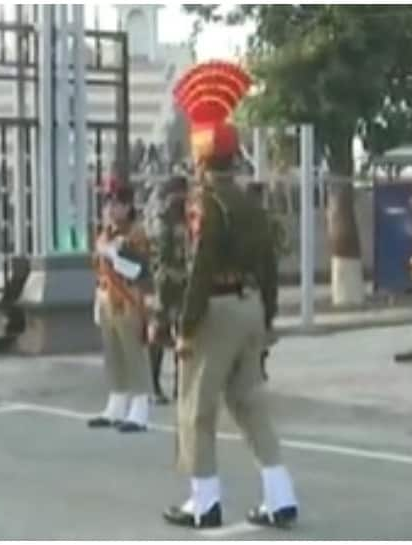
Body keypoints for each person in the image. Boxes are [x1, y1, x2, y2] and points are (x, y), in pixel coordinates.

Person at [162, 61, 298, 530]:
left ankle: (204, 501)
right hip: (252, 307)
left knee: (196, 407)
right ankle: (280, 495)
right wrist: (270, 318)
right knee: (249, 403)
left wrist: (186, 323)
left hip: (216, 310)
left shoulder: (206, 202)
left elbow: (200, 267)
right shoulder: (251, 201)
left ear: (200, 157)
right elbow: (268, 265)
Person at [88, 180, 154, 433]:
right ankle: (117, 401)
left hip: (128, 298)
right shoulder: (106, 233)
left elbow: (138, 270)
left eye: (116, 203)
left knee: (133, 352)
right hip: (107, 299)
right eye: (107, 202)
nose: (110, 208)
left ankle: (140, 407)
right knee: (113, 353)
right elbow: (98, 268)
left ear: (128, 207)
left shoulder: (136, 234)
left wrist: (115, 255)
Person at [146, 174, 189, 404]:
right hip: (165, 284)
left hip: (182, 283)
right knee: (159, 334)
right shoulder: (163, 220)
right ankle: (153, 385)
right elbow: (161, 257)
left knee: (183, 333)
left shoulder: (186, 217)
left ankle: (179, 387)